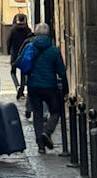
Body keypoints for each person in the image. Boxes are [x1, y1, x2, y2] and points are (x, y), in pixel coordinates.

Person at [23, 21, 68, 153]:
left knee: (37, 114)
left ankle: (40, 145)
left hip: (33, 86)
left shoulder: (30, 47)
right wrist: (65, 88)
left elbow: (24, 65)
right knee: (55, 111)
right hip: (50, 86)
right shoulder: (54, 50)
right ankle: (47, 132)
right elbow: (61, 71)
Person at [7, 12, 32, 100]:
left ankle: (17, 86)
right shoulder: (27, 29)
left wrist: (8, 51)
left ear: (17, 19)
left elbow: (8, 41)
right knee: (23, 72)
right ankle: (21, 91)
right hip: (24, 54)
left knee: (13, 71)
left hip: (15, 53)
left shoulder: (13, 29)